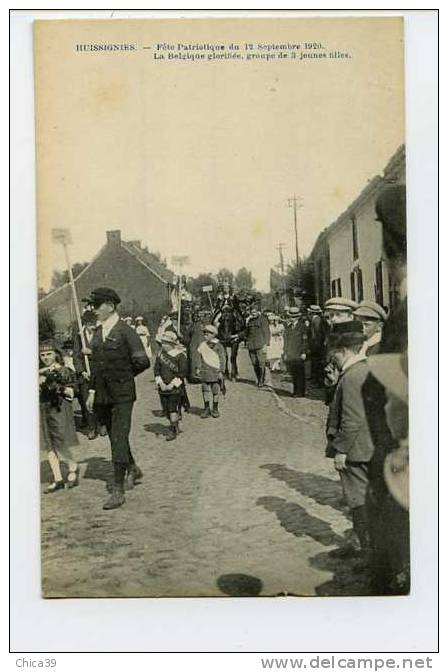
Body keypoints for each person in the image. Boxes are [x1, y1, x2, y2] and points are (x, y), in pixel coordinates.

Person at [84, 287, 150, 510]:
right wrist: (92, 392)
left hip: (122, 394)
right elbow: (95, 365)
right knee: (114, 436)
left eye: (97, 305)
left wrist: (122, 376)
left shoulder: (125, 331)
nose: (93, 309)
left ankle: (118, 489)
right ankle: (133, 467)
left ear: (110, 306)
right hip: (103, 394)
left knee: (119, 437)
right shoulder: (97, 332)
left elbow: (143, 362)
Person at [325, 321, 373, 566]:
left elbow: (353, 419)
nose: (332, 357)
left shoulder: (353, 376)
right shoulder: (359, 371)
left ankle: (367, 553)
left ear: (344, 350)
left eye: (334, 352)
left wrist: (340, 450)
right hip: (364, 448)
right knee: (361, 500)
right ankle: (359, 543)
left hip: (356, 451)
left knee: (358, 501)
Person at [39, 340, 80, 493]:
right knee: (48, 444)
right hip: (43, 409)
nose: (46, 357)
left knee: (61, 442)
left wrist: (57, 386)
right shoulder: (38, 372)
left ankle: (72, 467)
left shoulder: (64, 370)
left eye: (49, 354)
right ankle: (57, 478)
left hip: (59, 409)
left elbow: (72, 392)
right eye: (42, 355)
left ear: (56, 354)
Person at [154, 331, 189, 441]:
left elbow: (182, 373)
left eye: (165, 343)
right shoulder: (160, 355)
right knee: (166, 409)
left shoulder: (180, 356)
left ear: (171, 344)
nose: (162, 345)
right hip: (162, 387)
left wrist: (172, 385)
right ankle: (174, 424)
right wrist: (160, 383)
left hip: (175, 388)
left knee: (172, 408)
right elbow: (156, 370)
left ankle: (173, 430)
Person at [323, 297, 359, 403]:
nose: (333, 319)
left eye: (338, 315)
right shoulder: (333, 335)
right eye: (331, 315)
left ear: (351, 316)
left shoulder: (357, 338)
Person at [73, 309, 100, 440]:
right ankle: (92, 428)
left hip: (98, 373)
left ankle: (102, 424)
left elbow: (105, 352)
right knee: (86, 401)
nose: (91, 326)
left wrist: (91, 352)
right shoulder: (79, 336)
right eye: (89, 323)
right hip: (85, 375)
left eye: (93, 323)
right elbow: (76, 356)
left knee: (100, 400)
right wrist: (82, 371)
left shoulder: (101, 333)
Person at [196, 324, 226, 418]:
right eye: (204, 333)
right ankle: (206, 408)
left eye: (207, 333)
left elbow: (222, 359)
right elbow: (199, 357)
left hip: (215, 371)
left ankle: (215, 408)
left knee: (215, 390)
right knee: (205, 390)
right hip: (205, 370)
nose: (205, 335)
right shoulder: (202, 345)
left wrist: (221, 370)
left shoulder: (219, 345)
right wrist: (198, 367)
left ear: (213, 334)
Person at [283, 306, 309, 397]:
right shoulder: (288, 327)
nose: (292, 318)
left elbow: (305, 340)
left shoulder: (302, 327)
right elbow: (286, 341)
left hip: (299, 352)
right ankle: (296, 390)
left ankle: (300, 392)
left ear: (298, 317)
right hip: (291, 353)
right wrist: (285, 352)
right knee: (294, 373)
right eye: (291, 317)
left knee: (300, 373)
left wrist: (304, 352)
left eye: (294, 317)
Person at [245, 303, 271, 387]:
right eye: (252, 313)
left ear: (258, 312)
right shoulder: (249, 321)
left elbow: (267, 332)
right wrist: (237, 336)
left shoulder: (263, 319)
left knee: (261, 364)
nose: (253, 314)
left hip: (260, 345)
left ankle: (261, 380)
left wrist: (266, 345)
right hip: (251, 346)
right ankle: (258, 378)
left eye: (255, 312)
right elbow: (246, 332)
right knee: (254, 363)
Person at [308, 305, 325, 383]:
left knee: (317, 362)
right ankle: (315, 378)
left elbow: (318, 333)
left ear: (312, 312)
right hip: (315, 344)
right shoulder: (314, 319)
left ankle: (318, 379)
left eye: (310, 312)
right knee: (314, 361)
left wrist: (317, 343)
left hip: (317, 344)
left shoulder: (316, 320)